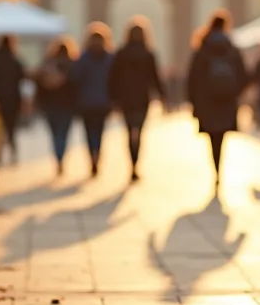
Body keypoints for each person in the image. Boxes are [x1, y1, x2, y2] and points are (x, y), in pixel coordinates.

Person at [187, 10, 249, 184]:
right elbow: (243, 75)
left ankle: (215, 169)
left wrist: (193, 102)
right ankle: (219, 168)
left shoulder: (202, 49)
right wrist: (233, 91)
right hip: (226, 101)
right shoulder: (232, 49)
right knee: (221, 136)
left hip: (206, 101)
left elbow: (193, 78)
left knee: (212, 137)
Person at [109, 18, 166, 182]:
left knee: (128, 131)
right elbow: (155, 78)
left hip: (125, 98)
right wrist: (162, 97)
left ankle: (131, 164)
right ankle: (136, 164)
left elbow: (113, 78)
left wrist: (113, 98)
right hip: (142, 98)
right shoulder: (148, 53)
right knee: (139, 131)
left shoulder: (121, 53)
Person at [69, 23, 115, 176]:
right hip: (103, 101)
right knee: (99, 131)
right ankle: (97, 155)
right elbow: (115, 80)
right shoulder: (109, 58)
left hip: (86, 101)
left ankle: (92, 157)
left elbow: (75, 79)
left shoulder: (83, 58)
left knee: (89, 132)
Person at [35, 37, 78, 175]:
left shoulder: (47, 63)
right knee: (63, 134)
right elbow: (77, 86)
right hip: (67, 106)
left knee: (54, 134)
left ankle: (58, 157)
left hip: (50, 105)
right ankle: (61, 156)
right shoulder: (73, 65)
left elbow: (39, 84)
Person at [0, 34, 26, 164]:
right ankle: (13, 154)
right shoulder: (15, 59)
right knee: (11, 128)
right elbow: (23, 77)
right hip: (13, 98)